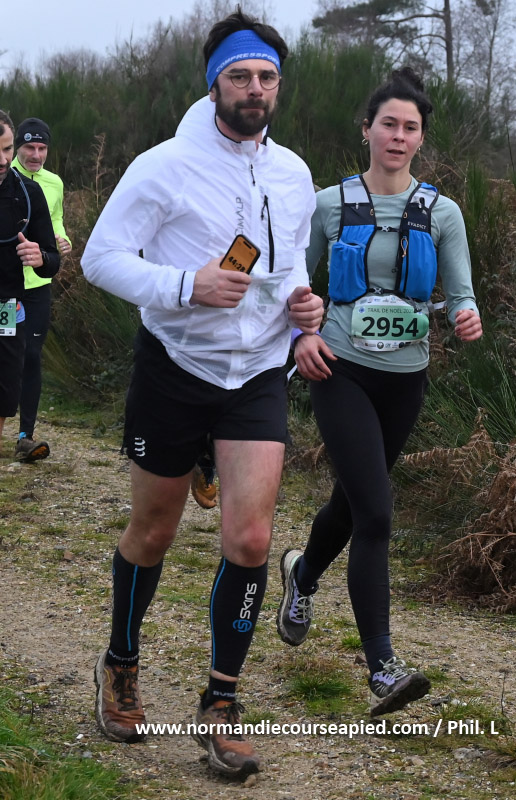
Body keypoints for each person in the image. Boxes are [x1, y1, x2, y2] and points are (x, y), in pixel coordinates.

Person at [81, 8, 323, 778]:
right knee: (153, 532)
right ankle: (121, 662)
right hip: (175, 369)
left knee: (251, 541)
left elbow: (291, 262)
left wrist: (304, 309)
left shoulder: (293, 174)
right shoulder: (163, 167)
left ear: (278, 86)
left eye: (267, 77)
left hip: (256, 375)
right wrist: (188, 284)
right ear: (214, 84)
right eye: (240, 76)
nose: (255, 89)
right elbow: (100, 258)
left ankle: (221, 700)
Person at [276, 68, 483, 717]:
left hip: (405, 381)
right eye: (388, 124)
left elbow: (462, 293)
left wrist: (467, 316)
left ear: (421, 138)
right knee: (377, 513)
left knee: (353, 502)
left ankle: (301, 575)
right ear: (366, 129)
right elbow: (290, 283)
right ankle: (383, 668)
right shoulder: (327, 204)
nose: (398, 136)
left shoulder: (443, 213)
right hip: (339, 370)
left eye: (410, 127)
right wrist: (301, 336)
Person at [11, 118, 72, 462]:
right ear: (16, 148)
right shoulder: (6, 178)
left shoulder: (54, 183)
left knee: (32, 356)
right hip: (8, 285)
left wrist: (61, 240)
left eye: (42, 148)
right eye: (29, 147)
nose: (35, 155)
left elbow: (56, 219)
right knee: (8, 356)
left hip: (37, 285)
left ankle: (26, 436)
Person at [0, 110, 60, 449]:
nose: (2, 159)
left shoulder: (29, 192)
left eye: (7, 149)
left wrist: (41, 258)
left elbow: (52, 257)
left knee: (10, 376)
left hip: (9, 302)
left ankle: (25, 435)